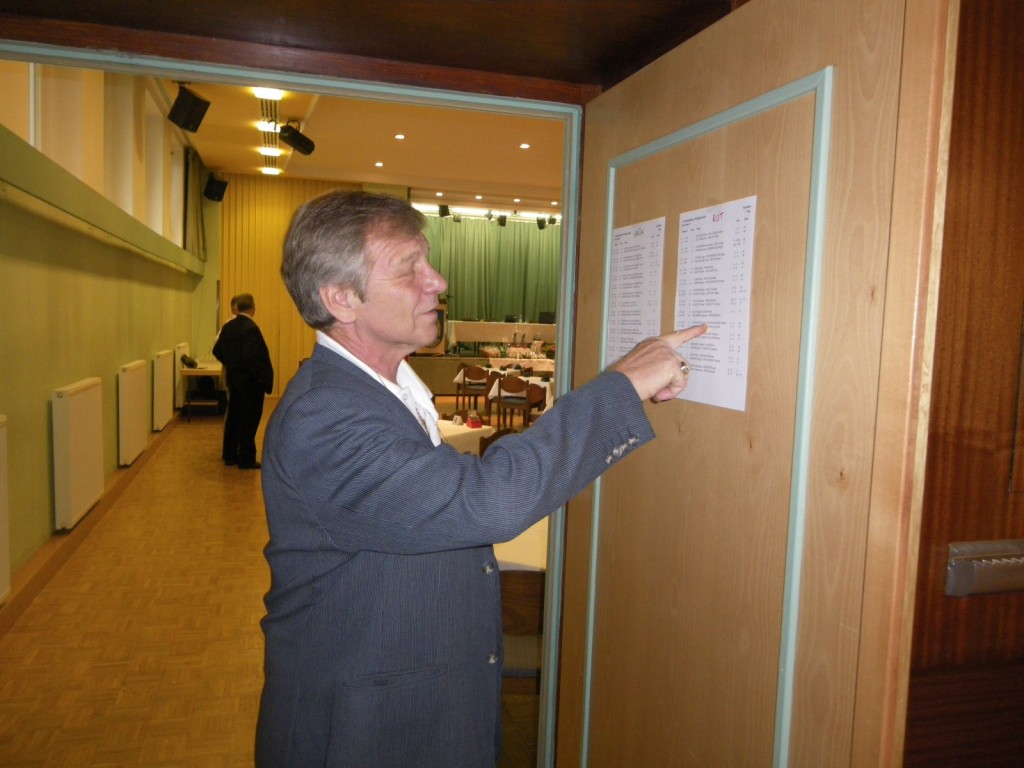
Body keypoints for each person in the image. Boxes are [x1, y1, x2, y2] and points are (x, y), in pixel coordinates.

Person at [255, 190, 707, 767]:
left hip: (417, 705)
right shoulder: (325, 414)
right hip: (357, 728)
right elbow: (486, 502)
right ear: (341, 298)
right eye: (409, 268)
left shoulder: (389, 388)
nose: (438, 281)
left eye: (428, 261)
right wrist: (622, 386)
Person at [212, 292, 274, 469]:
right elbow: (253, 358)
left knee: (233, 417)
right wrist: (262, 379)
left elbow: (217, 350)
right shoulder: (251, 329)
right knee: (249, 420)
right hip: (250, 383)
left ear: (237, 308)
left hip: (234, 380)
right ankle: (245, 459)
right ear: (253, 309)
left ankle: (229, 455)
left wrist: (231, 364)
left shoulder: (228, 327)